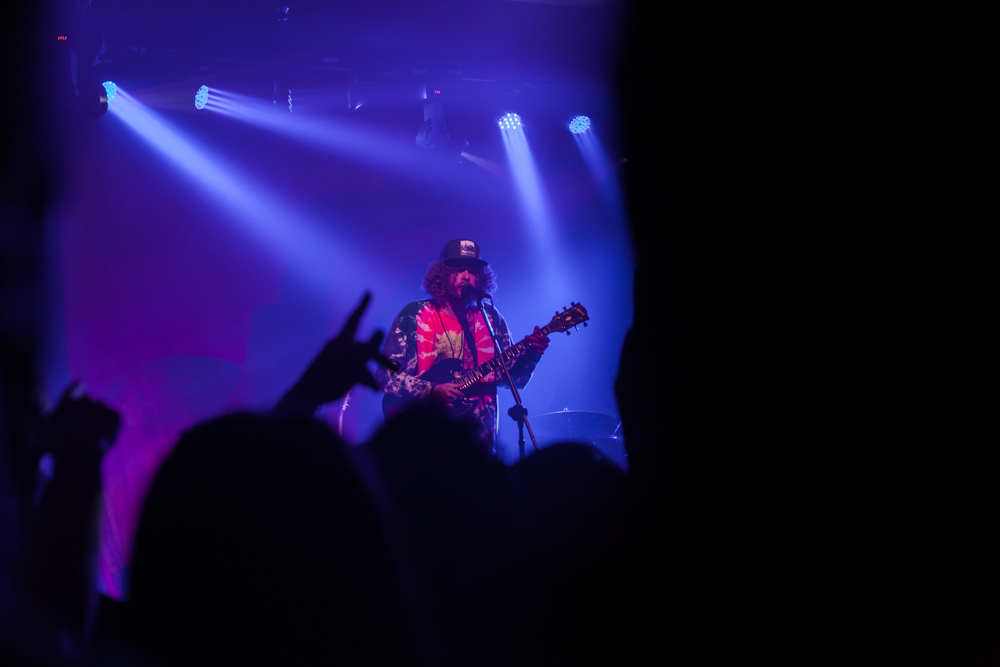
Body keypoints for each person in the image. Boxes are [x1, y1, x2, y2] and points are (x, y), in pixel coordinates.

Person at [376, 239, 549, 453]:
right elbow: (385, 375)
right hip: (422, 440)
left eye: (473, 271)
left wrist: (533, 353)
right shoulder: (414, 316)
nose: (466, 276)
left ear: (482, 278)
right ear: (441, 275)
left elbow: (515, 380)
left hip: (477, 445)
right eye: (457, 269)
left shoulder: (490, 318)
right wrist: (430, 391)